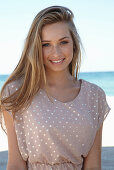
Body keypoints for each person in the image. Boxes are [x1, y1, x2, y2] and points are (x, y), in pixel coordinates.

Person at [0, 5, 111, 170]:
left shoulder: (95, 96)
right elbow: (16, 164)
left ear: (74, 43)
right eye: (46, 44)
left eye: (63, 42)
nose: (56, 52)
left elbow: (93, 166)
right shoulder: (17, 93)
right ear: (36, 47)